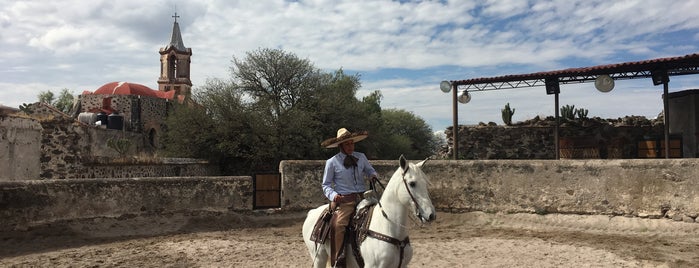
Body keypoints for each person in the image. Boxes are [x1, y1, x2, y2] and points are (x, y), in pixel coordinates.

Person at [320, 128, 379, 268]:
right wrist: (334, 196)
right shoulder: (332, 162)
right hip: (345, 201)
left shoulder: (361, 157)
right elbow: (326, 185)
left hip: (364, 197)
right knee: (339, 225)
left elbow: (370, 170)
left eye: (352, 143)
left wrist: (373, 174)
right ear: (340, 146)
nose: (351, 146)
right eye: (347, 144)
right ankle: (339, 258)